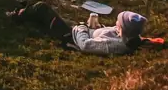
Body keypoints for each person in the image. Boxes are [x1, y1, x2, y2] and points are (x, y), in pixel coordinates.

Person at [9, 3, 151, 56]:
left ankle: (15, 16)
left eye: (119, 22)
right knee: (44, 13)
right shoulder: (127, 36)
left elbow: (85, 45)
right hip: (78, 30)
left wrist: (83, 27)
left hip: (70, 37)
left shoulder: (113, 44)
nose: (116, 23)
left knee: (42, 8)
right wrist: (96, 28)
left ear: (124, 28)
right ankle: (25, 12)